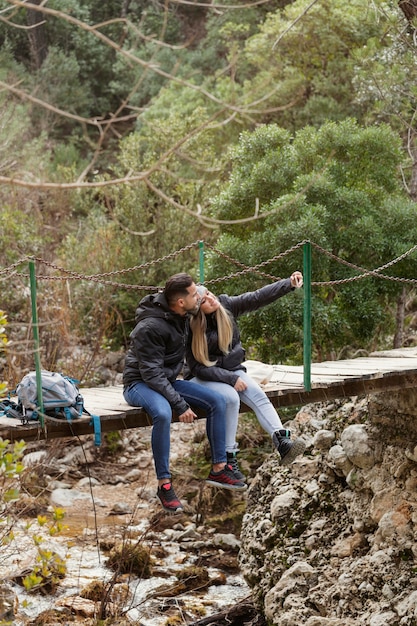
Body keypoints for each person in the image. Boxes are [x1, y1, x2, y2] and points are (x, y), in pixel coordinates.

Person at [123, 273, 246, 514]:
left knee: (218, 401)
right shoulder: (149, 327)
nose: (199, 296)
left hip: (166, 380)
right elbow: (151, 375)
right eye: (194, 294)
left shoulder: (182, 315)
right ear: (180, 302)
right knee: (162, 412)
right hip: (139, 384)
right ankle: (164, 485)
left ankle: (220, 469)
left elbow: (211, 310)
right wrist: (180, 405)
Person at [186, 272, 306, 480]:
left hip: (234, 371)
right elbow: (198, 368)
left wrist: (288, 284)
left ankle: (283, 442)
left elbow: (257, 297)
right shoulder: (192, 329)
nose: (211, 299)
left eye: (210, 294)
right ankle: (229, 458)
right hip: (204, 376)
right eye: (204, 300)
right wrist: (231, 379)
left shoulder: (226, 305)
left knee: (258, 394)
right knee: (230, 399)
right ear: (197, 310)